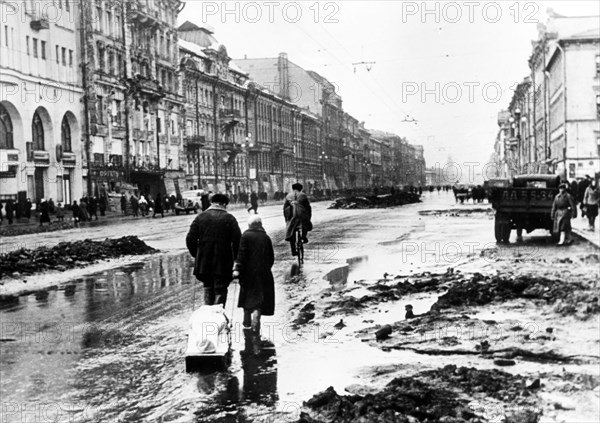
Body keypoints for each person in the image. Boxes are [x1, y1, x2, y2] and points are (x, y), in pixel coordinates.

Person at [186, 193, 241, 306]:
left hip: (204, 262)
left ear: (212, 203)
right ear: (224, 204)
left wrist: (197, 255)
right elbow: (237, 241)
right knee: (220, 289)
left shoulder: (200, 217)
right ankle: (218, 316)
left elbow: (190, 238)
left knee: (208, 286)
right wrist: (236, 259)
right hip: (223, 262)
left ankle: (208, 313)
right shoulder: (229, 218)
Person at [232, 215, 275, 335]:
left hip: (247, 273)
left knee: (247, 297)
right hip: (263, 273)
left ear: (250, 225)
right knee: (259, 300)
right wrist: (265, 268)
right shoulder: (266, 237)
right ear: (260, 225)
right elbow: (271, 257)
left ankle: (246, 323)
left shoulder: (245, 236)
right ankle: (256, 324)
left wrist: (238, 269)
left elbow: (241, 255)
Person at [283, 183, 313, 256]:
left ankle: (293, 250)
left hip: (292, 215)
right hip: (301, 214)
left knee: (291, 230)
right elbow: (308, 207)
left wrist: (287, 219)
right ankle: (303, 237)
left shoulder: (288, 195)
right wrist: (309, 217)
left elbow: (285, 208)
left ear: (293, 188)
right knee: (305, 224)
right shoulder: (303, 195)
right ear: (300, 188)